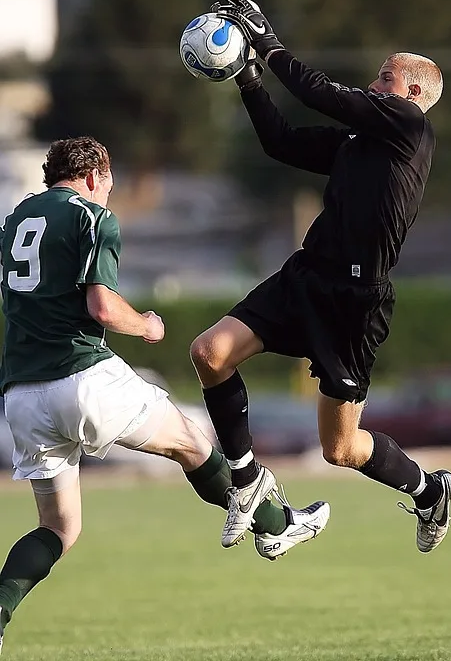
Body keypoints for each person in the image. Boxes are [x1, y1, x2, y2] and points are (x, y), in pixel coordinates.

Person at [0, 136, 329, 654]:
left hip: (21, 394)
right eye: (109, 183)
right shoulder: (92, 216)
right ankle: (276, 525)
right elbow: (104, 308)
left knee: (59, 528)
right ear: (93, 176)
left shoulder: (17, 217)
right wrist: (148, 326)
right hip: (81, 376)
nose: (108, 193)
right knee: (192, 443)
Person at [191, 0, 451, 554]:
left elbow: (318, 93)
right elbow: (281, 142)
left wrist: (269, 43)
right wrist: (247, 79)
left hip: (354, 303)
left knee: (340, 449)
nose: (373, 83)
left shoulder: (409, 129)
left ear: (411, 94)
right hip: (305, 276)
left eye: (385, 78)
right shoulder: (363, 141)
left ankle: (429, 490)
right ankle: (246, 480)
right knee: (209, 353)